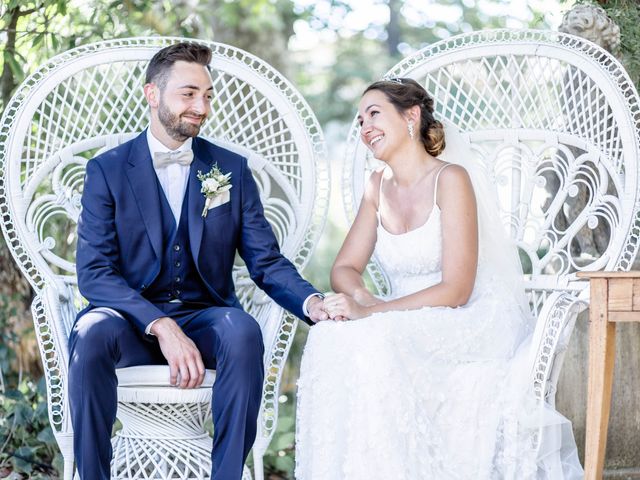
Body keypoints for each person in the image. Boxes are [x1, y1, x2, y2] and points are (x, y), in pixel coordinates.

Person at [295, 78, 584, 479]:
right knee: (328, 335)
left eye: (374, 114)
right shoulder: (376, 186)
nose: (364, 128)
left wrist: (375, 311)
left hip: (469, 314)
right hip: (400, 315)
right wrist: (363, 298)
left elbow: (457, 289)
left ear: (411, 116)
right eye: (360, 121)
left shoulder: (451, 179)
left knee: (376, 335)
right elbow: (343, 269)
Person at [69, 41, 327, 480]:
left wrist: (312, 302)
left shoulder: (230, 170)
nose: (201, 106)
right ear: (153, 94)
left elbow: (265, 261)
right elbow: (94, 274)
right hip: (128, 324)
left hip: (203, 320)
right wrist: (160, 325)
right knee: (91, 333)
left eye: (207, 95)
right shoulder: (107, 171)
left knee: (242, 330)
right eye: (188, 93)